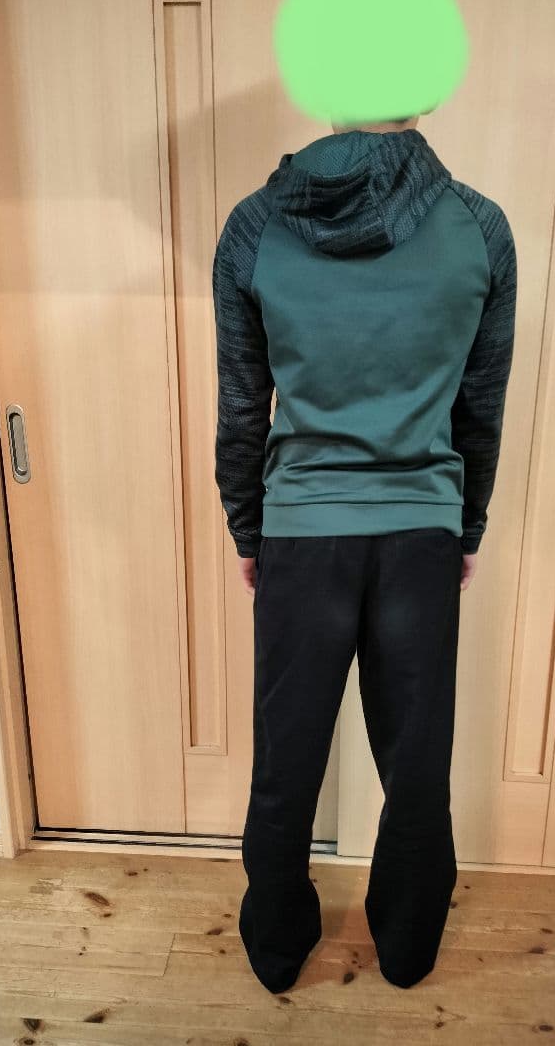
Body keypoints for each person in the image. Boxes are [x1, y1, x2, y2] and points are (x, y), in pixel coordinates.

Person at [212, 110, 517, 993]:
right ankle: (408, 948)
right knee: (417, 761)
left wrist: (249, 528)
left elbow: (243, 408)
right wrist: (465, 525)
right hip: (421, 532)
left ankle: (277, 950)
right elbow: (481, 406)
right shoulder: (478, 227)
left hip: (302, 531)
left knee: (287, 756)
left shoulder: (255, 228)